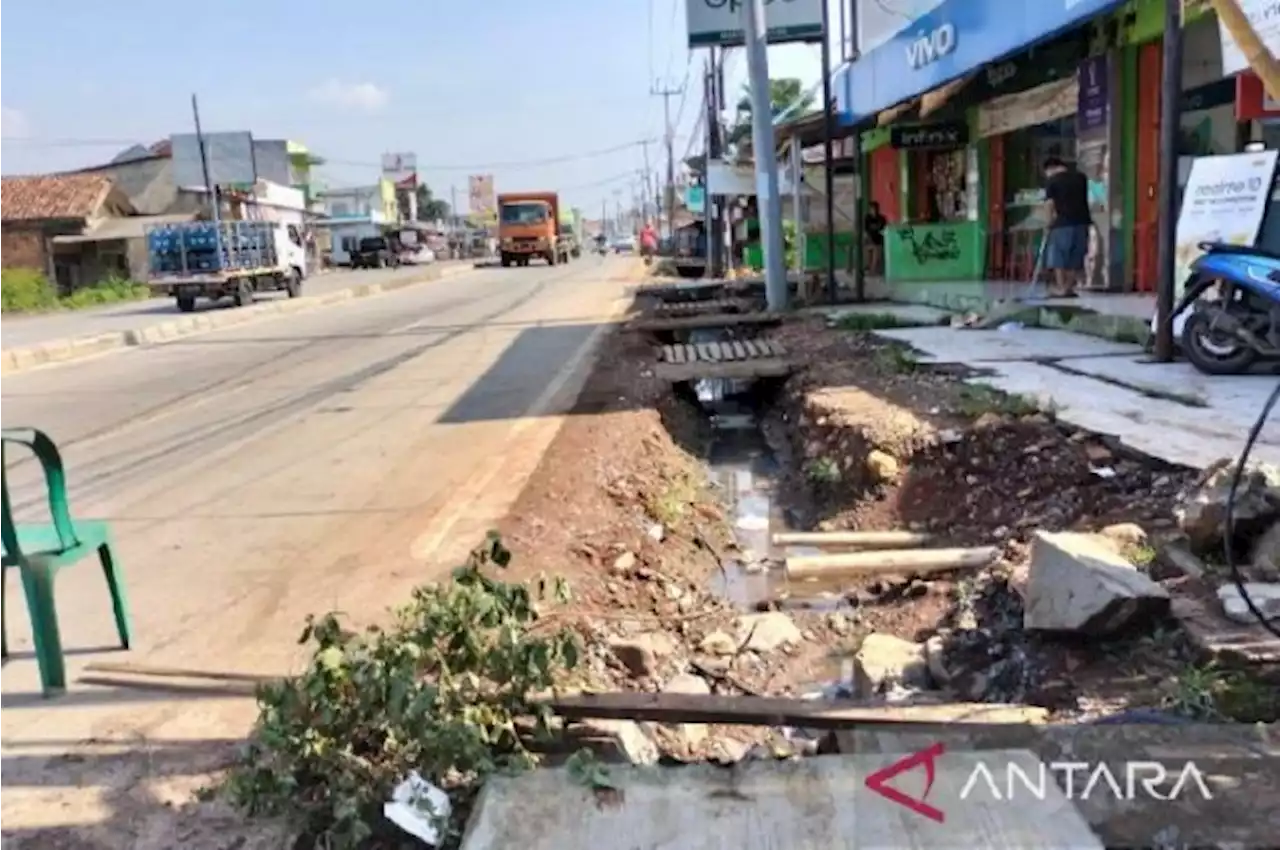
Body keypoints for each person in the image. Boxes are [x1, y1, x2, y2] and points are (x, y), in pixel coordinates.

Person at [1041, 156, 1092, 297]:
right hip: (1082, 222)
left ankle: (1061, 287)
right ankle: (1068, 288)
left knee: (1059, 257)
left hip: (1062, 224)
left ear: (1050, 169)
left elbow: (1049, 205)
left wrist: (1048, 223)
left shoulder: (1052, 181)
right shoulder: (1081, 178)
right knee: (1076, 257)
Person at [864, 201, 887, 274]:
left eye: (875, 209)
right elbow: (865, 231)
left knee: (876, 250)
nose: (874, 211)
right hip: (869, 240)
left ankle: (873, 270)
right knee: (869, 249)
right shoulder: (867, 218)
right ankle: (869, 267)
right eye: (872, 209)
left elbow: (884, 230)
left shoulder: (881, 219)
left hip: (878, 240)